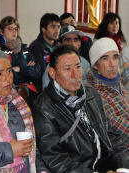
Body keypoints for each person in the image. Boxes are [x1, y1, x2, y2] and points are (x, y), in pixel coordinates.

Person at [32, 45, 129, 173]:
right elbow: (55, 159)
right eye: (67, 69)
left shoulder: (91, 95)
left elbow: (112, 137)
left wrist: (124, 167)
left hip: (106, 164)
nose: (75, 74)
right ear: (52, 73)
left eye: (78, 67)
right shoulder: (43, 108)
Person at [86, 37, 129, 149]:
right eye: (105, 59)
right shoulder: (92, 93)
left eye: (115, 58)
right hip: (119, 156)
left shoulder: (119, 84)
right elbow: (118, 130)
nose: (112, 64)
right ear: (95, 65)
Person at [0, 16, 41, 96]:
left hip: (29, 89)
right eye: (10, 29)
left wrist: (19, 68)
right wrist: (26, 69)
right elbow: (2, 75)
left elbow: (37, 71)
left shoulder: (24, 49)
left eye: (16, 29)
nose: (14, 31)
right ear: (1, 31)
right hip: (8, 90)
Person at [29, 13, 60, 93]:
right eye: (53, 27)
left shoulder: (60, 45)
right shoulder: (35, 47)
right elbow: (42, 73)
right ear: (43, 29)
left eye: (58, 26)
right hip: (42, 90)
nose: (57, 30)